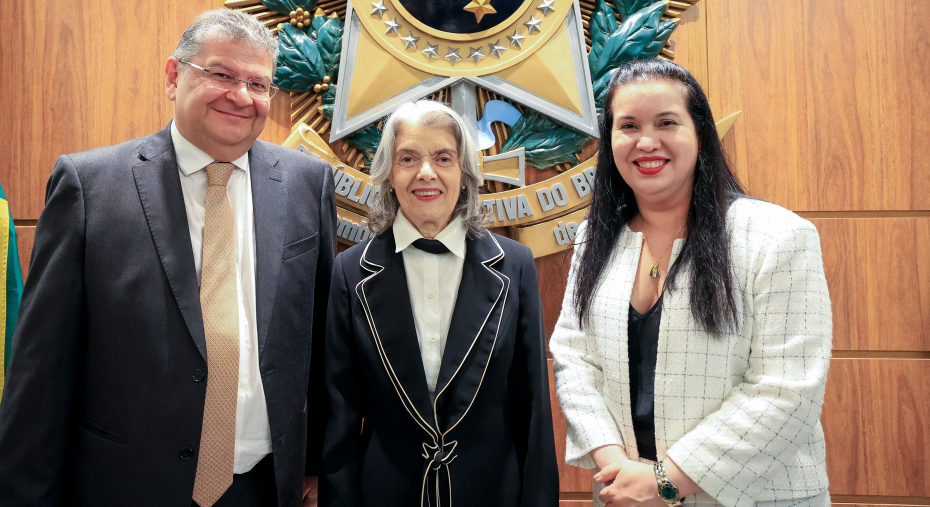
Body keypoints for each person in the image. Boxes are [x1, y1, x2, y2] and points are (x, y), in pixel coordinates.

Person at [0, 9, 337, 507]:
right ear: (174, 77)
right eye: (221, 74)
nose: (240, 96)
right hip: (129, 487)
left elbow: (319, 343)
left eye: (258, 84)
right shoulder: (90, 187)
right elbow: (39, 376)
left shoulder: (307, 183)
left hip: (265, 487)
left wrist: (316, 465)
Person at [551, 58, 832, 507]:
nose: (646, 141)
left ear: (700, 134)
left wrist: (664, 481)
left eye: (666, 122)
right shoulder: (596, 238)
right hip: (625, 495)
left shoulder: (777, 236)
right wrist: (616, 467)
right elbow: (573, 357)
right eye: (628, 126)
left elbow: (786, 390)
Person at [321, 100, 559, 507]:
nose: (425, 172)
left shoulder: (514, 265)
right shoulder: (350, 272)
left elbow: (533, 404)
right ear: (388, 174)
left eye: (443, 158)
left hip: (492, 494)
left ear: (464, 173)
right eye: (408, 158)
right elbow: (339, 414)